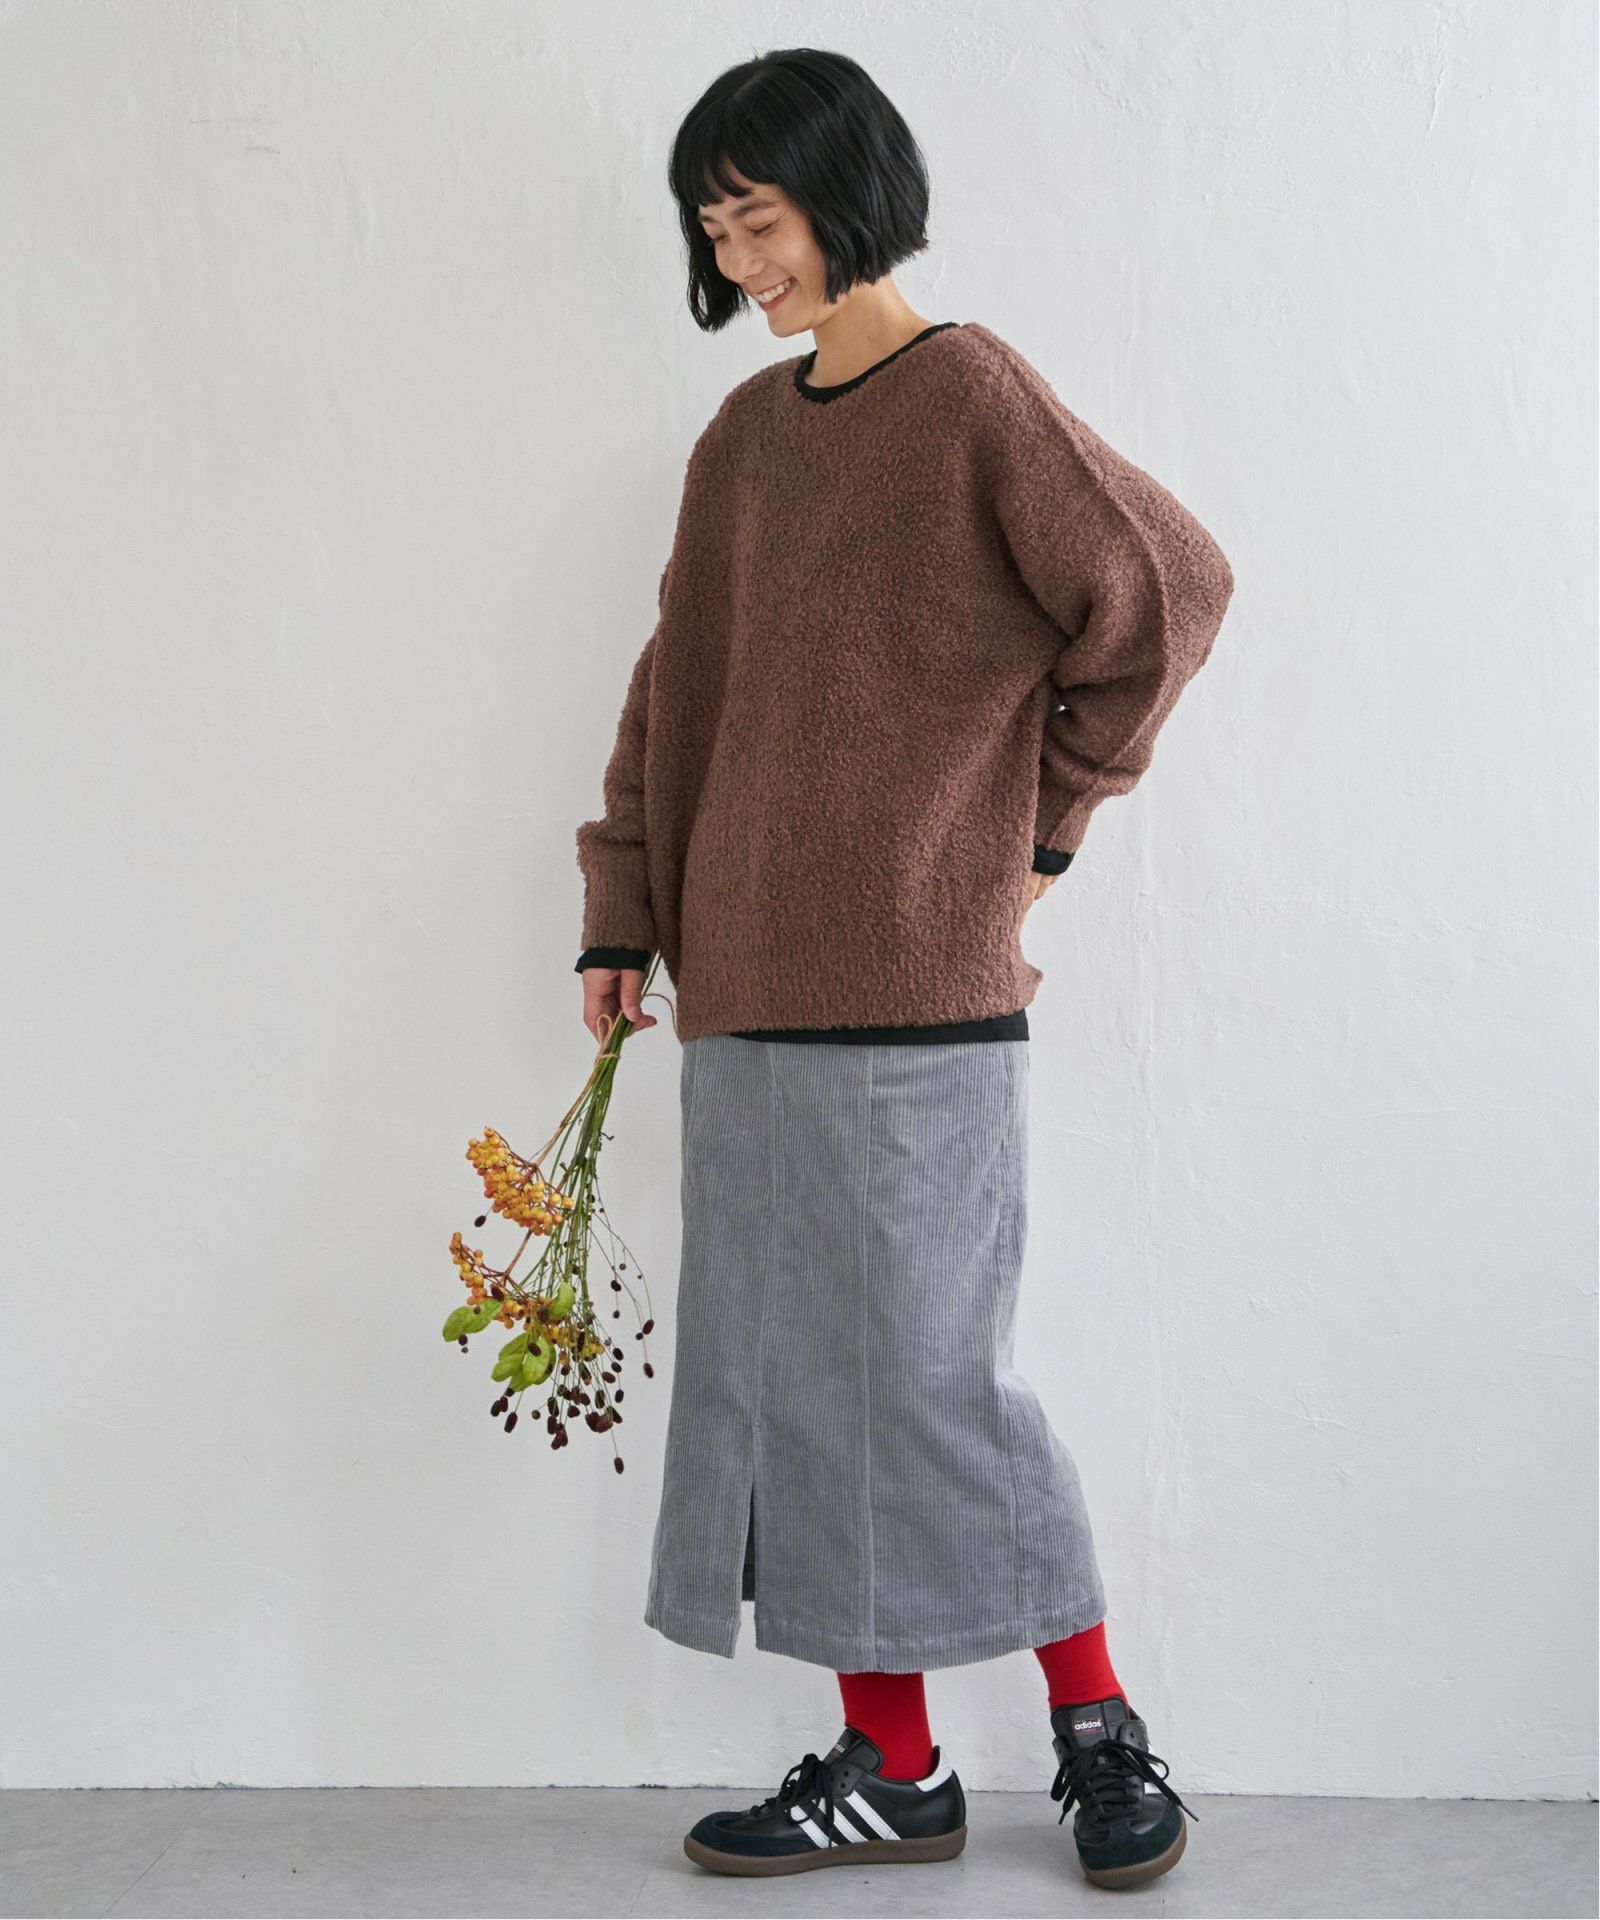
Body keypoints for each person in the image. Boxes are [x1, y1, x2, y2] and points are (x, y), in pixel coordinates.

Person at [573, 46, 1232, 1892]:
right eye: (715, 232)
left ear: (846, 193)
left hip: (926, 992)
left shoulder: (970, 396)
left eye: (759, 220)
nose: (741, 262)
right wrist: (623, 911)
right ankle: (895, 1764)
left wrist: (1040, 828)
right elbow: (672, 695)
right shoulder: (741, 442)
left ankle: (1098, 1729)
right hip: (744, 993)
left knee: (934, 1385)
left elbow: (1169, 594)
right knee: (798, 1386)